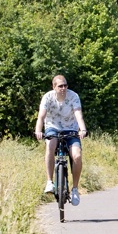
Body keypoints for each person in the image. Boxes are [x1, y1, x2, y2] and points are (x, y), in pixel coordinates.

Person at [35, 74, 88, 206]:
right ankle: (50, 182)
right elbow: (41, 117)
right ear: (54, 87)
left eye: (65, 85)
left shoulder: (73, 96)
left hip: (71, 128)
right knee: (50, 145)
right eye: (60, 86)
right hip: (53, 127)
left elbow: (78, 115)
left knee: (77, 155)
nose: (63, 88)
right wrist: (38, 131)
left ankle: (75, 189)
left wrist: (82, 129)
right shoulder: (47, 97)